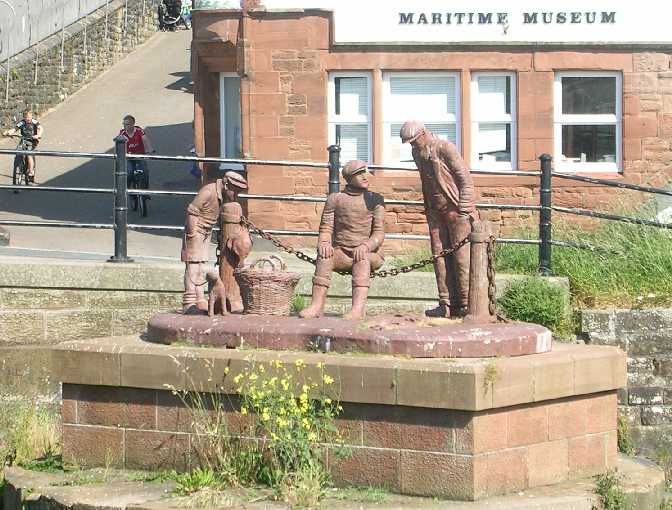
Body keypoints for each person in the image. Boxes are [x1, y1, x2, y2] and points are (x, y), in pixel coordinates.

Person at [400, 120, 478, 318]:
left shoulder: (445, 148)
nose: (413, 145)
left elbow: (464, 178)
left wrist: (465, 208)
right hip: (435, 212)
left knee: (462, 257)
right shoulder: (417, 153)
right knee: (439, 256)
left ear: (424, 134)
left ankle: (467, 304)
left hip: (455, 208)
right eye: (410, 143)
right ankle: (446, 304)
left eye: (414, 141)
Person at [299, 160, 385, 321]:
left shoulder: (375, 200)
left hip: (370, 254)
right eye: (360, 174)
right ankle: (317, 306)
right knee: (325, 257)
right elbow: (326, 228)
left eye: (366, 172)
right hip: (342, 254)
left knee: (362, 258)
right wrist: (324, 243)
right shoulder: (335, 199)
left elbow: (379, 233)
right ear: (349, 178)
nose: (365, 176)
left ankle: (358, 309)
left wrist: (366, 246)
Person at [181, 171, 251, 313]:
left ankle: (200, 299)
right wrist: (192, 234)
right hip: (196, 231)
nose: (235, 195)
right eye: (235, 191)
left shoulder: (222, 195)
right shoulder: (208, 191)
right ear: (226, 185)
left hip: (206, 232)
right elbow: (192, 211)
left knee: (201, 265)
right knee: (193, 265)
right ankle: (189, 301)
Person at [2, 109, 43, 183]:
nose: (27, 119)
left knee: (29, 154)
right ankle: (18, 162)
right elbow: (15, 128)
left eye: (29, 117)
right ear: (24, 117)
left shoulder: (34, 122)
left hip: (31, 140)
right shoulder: (22, 122)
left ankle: (31, 171)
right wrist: (9, 132)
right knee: (18, 150)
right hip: (23, 139)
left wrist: (38, 135)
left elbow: (40, 128)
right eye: (26, 117)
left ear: (31, 116)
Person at [118, 115, 155, 189]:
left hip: (139, 155)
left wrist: (150, 149)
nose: (125, 126)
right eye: (124, 124)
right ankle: (127, 189)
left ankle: (145, 190)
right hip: (128, 157)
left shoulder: (139, 130)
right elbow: (119, 144)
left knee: (145, 172)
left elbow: (145, 139)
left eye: (127, 124)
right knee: (129, 172)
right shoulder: (122, 133)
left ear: (133, 124)